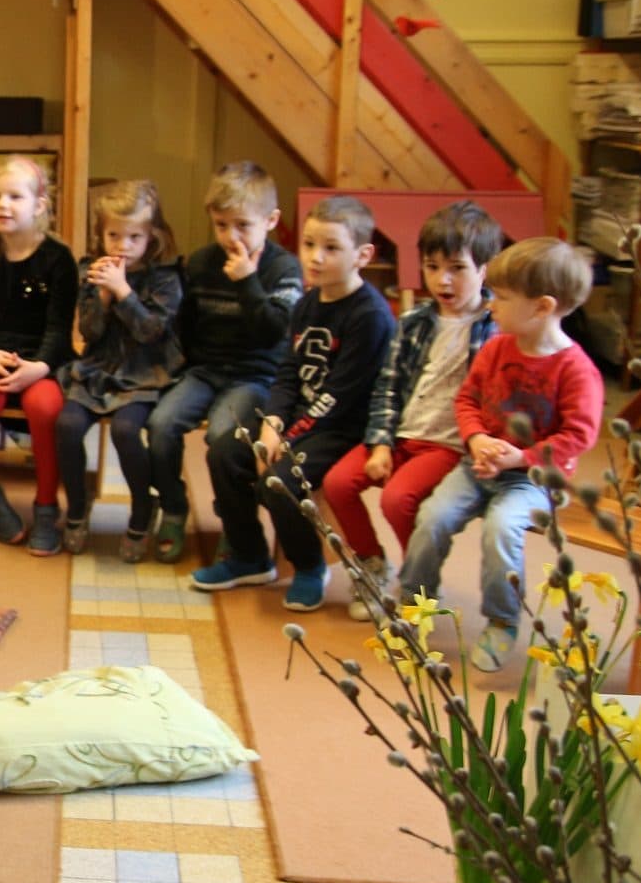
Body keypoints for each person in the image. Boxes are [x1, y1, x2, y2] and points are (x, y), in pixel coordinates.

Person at [399, 236, 604, 672]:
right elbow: (467, 401)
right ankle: (415, 602)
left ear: (543, 307)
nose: (490, 305)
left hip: (532, 479)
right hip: (477, 464)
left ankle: (502, 621)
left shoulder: (576, 369)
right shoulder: (495, 348)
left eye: (501, 297)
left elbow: (578, 436)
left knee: (501, 529)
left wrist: (520, 457)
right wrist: (474, 440)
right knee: (432, 518)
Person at [191, 196, 394, 611]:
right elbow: (287, 374)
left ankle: (309, 567)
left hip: (342, 430)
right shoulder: (307, 303)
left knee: (277, 483)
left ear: (363, 254)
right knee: (226, 451)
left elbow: (340, 395)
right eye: (309, 245)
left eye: (332, 248)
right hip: (302, 421)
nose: (316, 258)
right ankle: (249, 556)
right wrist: (274, 424)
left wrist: (291, 436)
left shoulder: (369, 315)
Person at [319, 201, 500, 620]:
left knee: (398, 500)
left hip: (447, 444)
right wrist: (380, 443)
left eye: (457, 268)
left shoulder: (495, 329)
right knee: (338, 483)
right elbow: (388, 386)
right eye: (432, 267)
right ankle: (372, 564)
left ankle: (418, 580)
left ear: (485, 269)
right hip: (402, 434)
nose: (443, 280)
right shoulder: (416, 320)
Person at [146, 161, 304, 565]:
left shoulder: (283, 269)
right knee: (161, 425)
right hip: (205, 371)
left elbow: (276, 332)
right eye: (220, 225)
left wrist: (248, 282)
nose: (230, 237)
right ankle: (174, 506)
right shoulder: (200, 263)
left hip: (256, 376)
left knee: (223, 435)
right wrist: (175, 373)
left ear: (270, 221)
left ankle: (234, 520)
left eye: (242, 226)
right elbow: (185, 326)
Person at [53, 180, 185, 559]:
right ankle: (78, 508)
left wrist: (124, 294)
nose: (122, 245)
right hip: (98, 367)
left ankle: (143, 509)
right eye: (113, 235)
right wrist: (104, 298)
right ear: (101, 233)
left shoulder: (165, 277)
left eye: (133, 237)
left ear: (151, 236)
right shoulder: (91, 270)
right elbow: (88, 331)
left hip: (145, 370)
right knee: (67, 425)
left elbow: (151, 332)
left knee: (126, 431)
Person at [0, 156, 79, 554]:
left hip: (40, 361)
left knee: (46, 408)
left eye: (15, 196)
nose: (3, 205)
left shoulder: (58, 259)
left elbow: (61, 328)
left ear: (39, 206)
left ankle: (46, 508)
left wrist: (40, 367)